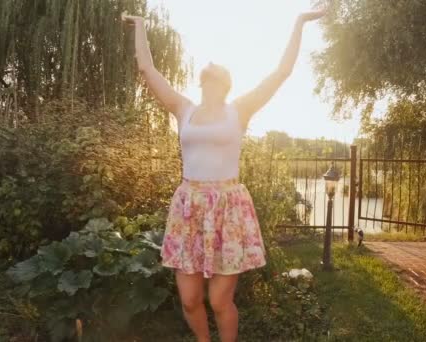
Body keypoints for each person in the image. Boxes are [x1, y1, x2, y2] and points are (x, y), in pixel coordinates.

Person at [123, 8, 326, 342]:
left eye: (216, 76)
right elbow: (147, 69)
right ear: (201, 81)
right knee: (190, 300)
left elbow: (282, 72)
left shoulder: (239, 111)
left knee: (219, 299)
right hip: (189, 207)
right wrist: (141, 26)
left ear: (226, 84)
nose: (209, 79)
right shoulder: (183, 109)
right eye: (205, 76)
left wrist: (300, 22)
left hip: (227, 208)